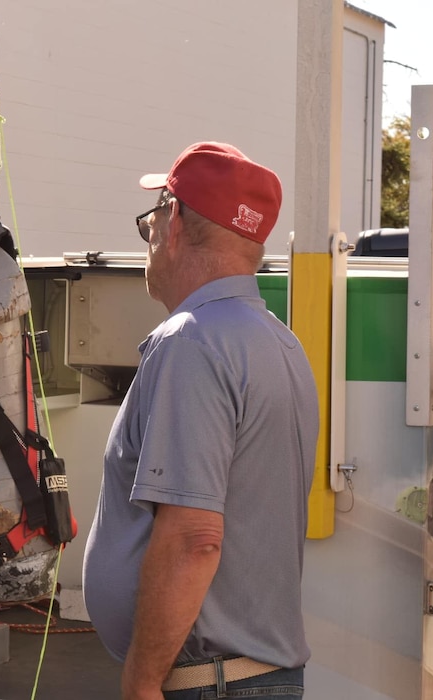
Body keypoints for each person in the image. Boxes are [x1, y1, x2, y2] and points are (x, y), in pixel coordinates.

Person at [82, 142, 318, 699]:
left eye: (152, 218)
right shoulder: (281, 342)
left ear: (176, 220)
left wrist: (141, 683)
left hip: (207, 685)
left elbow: (194, 540)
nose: (150, 236)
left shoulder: (190, 342)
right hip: (254, 679)